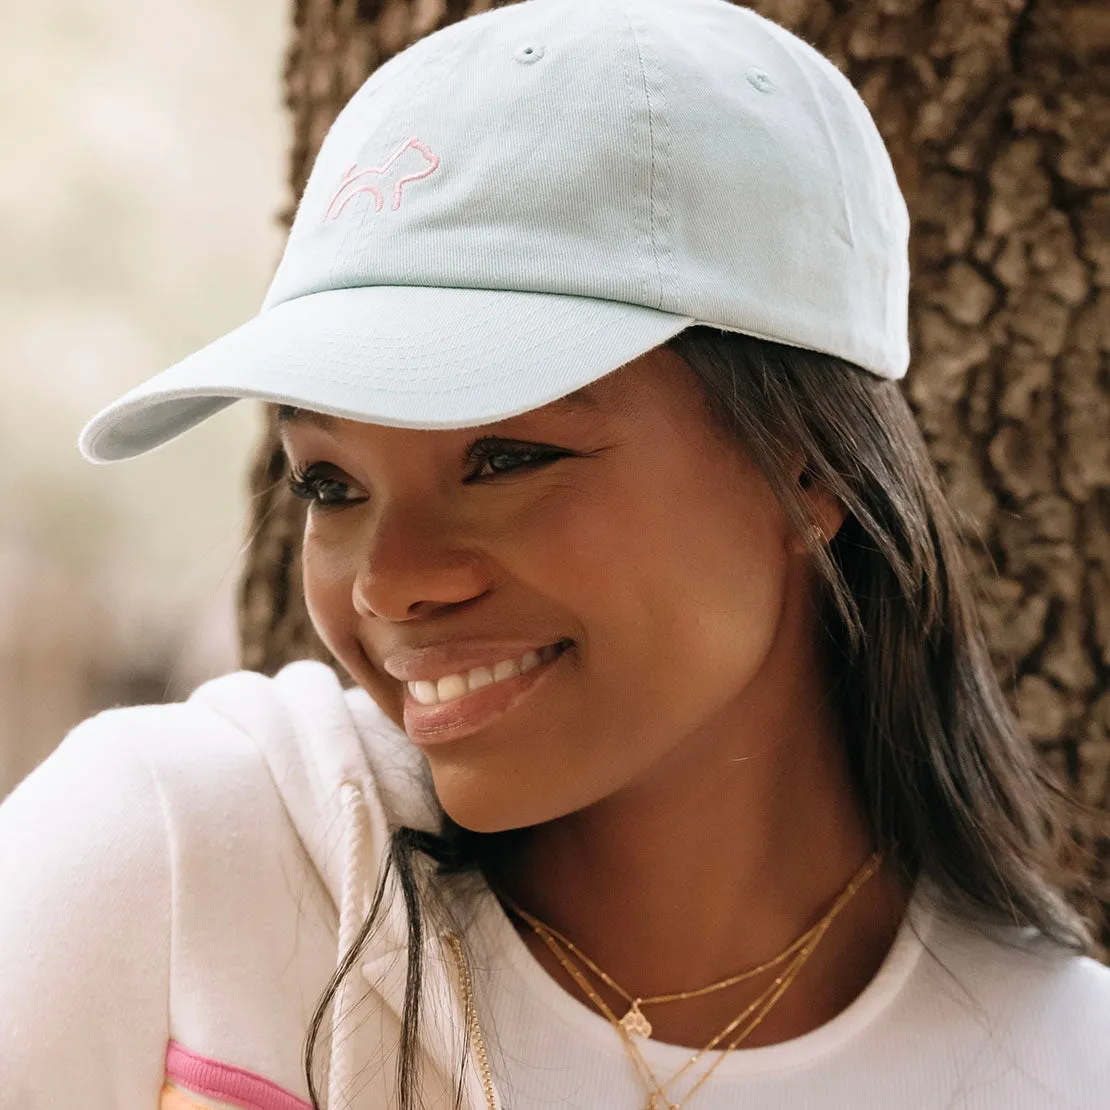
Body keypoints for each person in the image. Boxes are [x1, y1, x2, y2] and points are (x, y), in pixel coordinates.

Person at [1, 0, 1107, 1107]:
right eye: (329, 484)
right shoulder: (178, 857)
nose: (390, 581)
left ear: (806, 468)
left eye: (505, 457)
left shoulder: (1058, 1068)